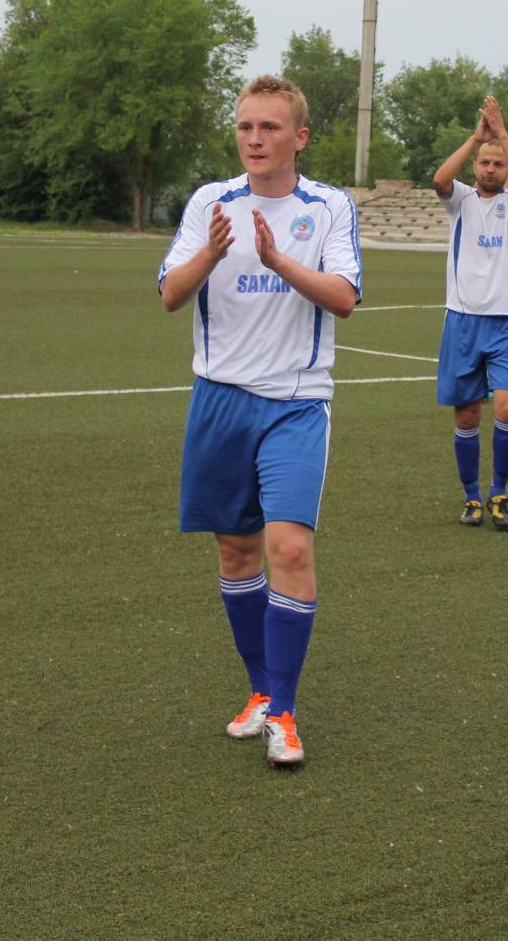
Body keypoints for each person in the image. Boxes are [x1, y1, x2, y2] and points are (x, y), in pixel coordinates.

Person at [157, 75, 361, 768]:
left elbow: (344, 297)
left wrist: (278, 260)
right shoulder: (210, 203)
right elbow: (168, 295)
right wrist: (213, 253)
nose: (254, 138)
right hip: (219, 399)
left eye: (270, 127)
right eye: (245, 126)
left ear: (299, 136)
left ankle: (286, 710)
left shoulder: (328, 208)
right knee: (236, 553)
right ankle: (260, 692)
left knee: (291, 550)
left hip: (297, 402)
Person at [432, 96, 508, 531]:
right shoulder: (461, 201)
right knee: (468, 416)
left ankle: (500, 492)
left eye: (498, 163)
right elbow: (440, 178)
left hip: (507, 324)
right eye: (485, 162)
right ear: (477, 167)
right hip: (462, 321)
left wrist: (503, 134)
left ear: (507, 170)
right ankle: (472, 497)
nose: (491, 168)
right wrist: (477, 136)